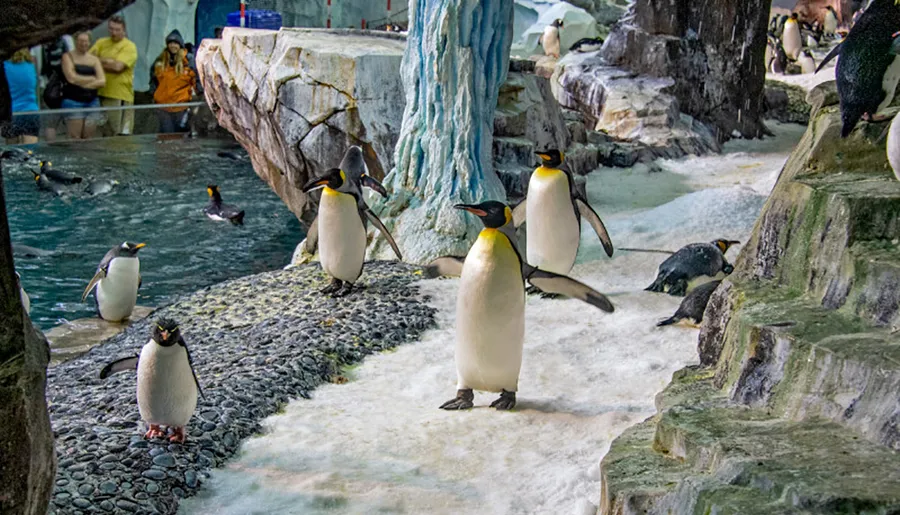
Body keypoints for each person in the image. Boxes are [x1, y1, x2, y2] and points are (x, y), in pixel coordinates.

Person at [90, 15, 137, 136]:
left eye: (117, 30)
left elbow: (118, 67)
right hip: (99, 93)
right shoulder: (101, 42)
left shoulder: (129, 46)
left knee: (118, 133)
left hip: (119, 95)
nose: (113, 32)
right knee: (103, 131)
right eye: (111, 29)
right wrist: (107, 61)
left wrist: (98, 62)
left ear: (124, 30)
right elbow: (87, 61)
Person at [150, 30, 198, 133]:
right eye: (170, 43)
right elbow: (154, 81)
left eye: (175, 43)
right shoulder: (160, 61)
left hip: (181, 107)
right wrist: (153, 94)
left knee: (181, 136)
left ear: (180, 45)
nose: (173, 46)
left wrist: (199, 95)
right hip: (163, 107)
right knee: (166, 136)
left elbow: (196, 80)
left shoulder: (188, 61)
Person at [61, 31, 105, 139]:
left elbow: (102, 81)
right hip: (73, 102)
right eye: (81, 41)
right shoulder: (67, 56)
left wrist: (82, 83)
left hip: (92, 102)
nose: (83, 44)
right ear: (76, 41)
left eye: (86, 41)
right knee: (75, 137)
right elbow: (71, 78)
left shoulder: (94, 59)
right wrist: (91, 79)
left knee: (88, 137)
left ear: (89, 42)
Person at [2, 48, 40, 144]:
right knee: (31, 150)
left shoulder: (4, 67)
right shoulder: (31, 66)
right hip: (31, 111)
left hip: (11, 113)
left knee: (11, 150)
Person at [40, 35, 74, 141]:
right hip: (66, 84)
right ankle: (71, 147)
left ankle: (51, 147)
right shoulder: (66, 39)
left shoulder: (42, 40)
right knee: (70, 119)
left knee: (51, 121)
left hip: (49, 85)